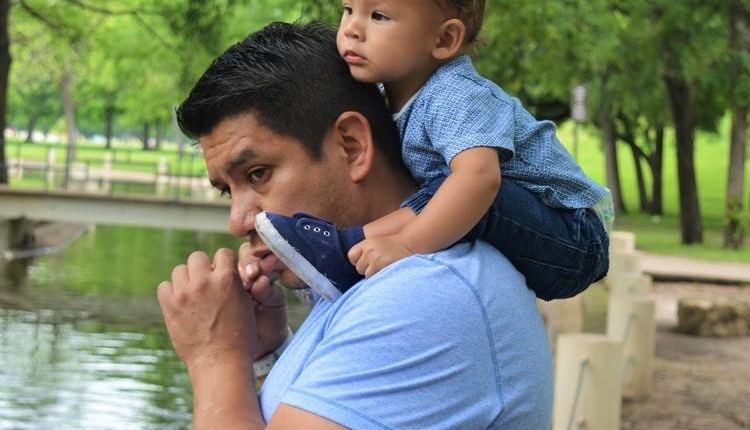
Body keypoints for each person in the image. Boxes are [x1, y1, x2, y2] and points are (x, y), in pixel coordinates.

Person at [157, 22, 553, 429]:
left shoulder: (425, 293)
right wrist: (265, 352)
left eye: (258, 174)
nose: (238, 221)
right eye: (227, 190)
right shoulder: (377, 278)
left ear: (352, 145)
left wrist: (213, 357)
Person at [259, 0, 613, 301]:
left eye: (378, 16)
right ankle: (342, 252)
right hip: (524, 228)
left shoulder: (455, 94)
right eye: (348, 9)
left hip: (573, 237)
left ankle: (349, 243)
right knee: (439, 190)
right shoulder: (385, 94)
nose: (351, 30)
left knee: (471, 188)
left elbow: (480, 180)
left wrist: (407, 246)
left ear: (444, 39)